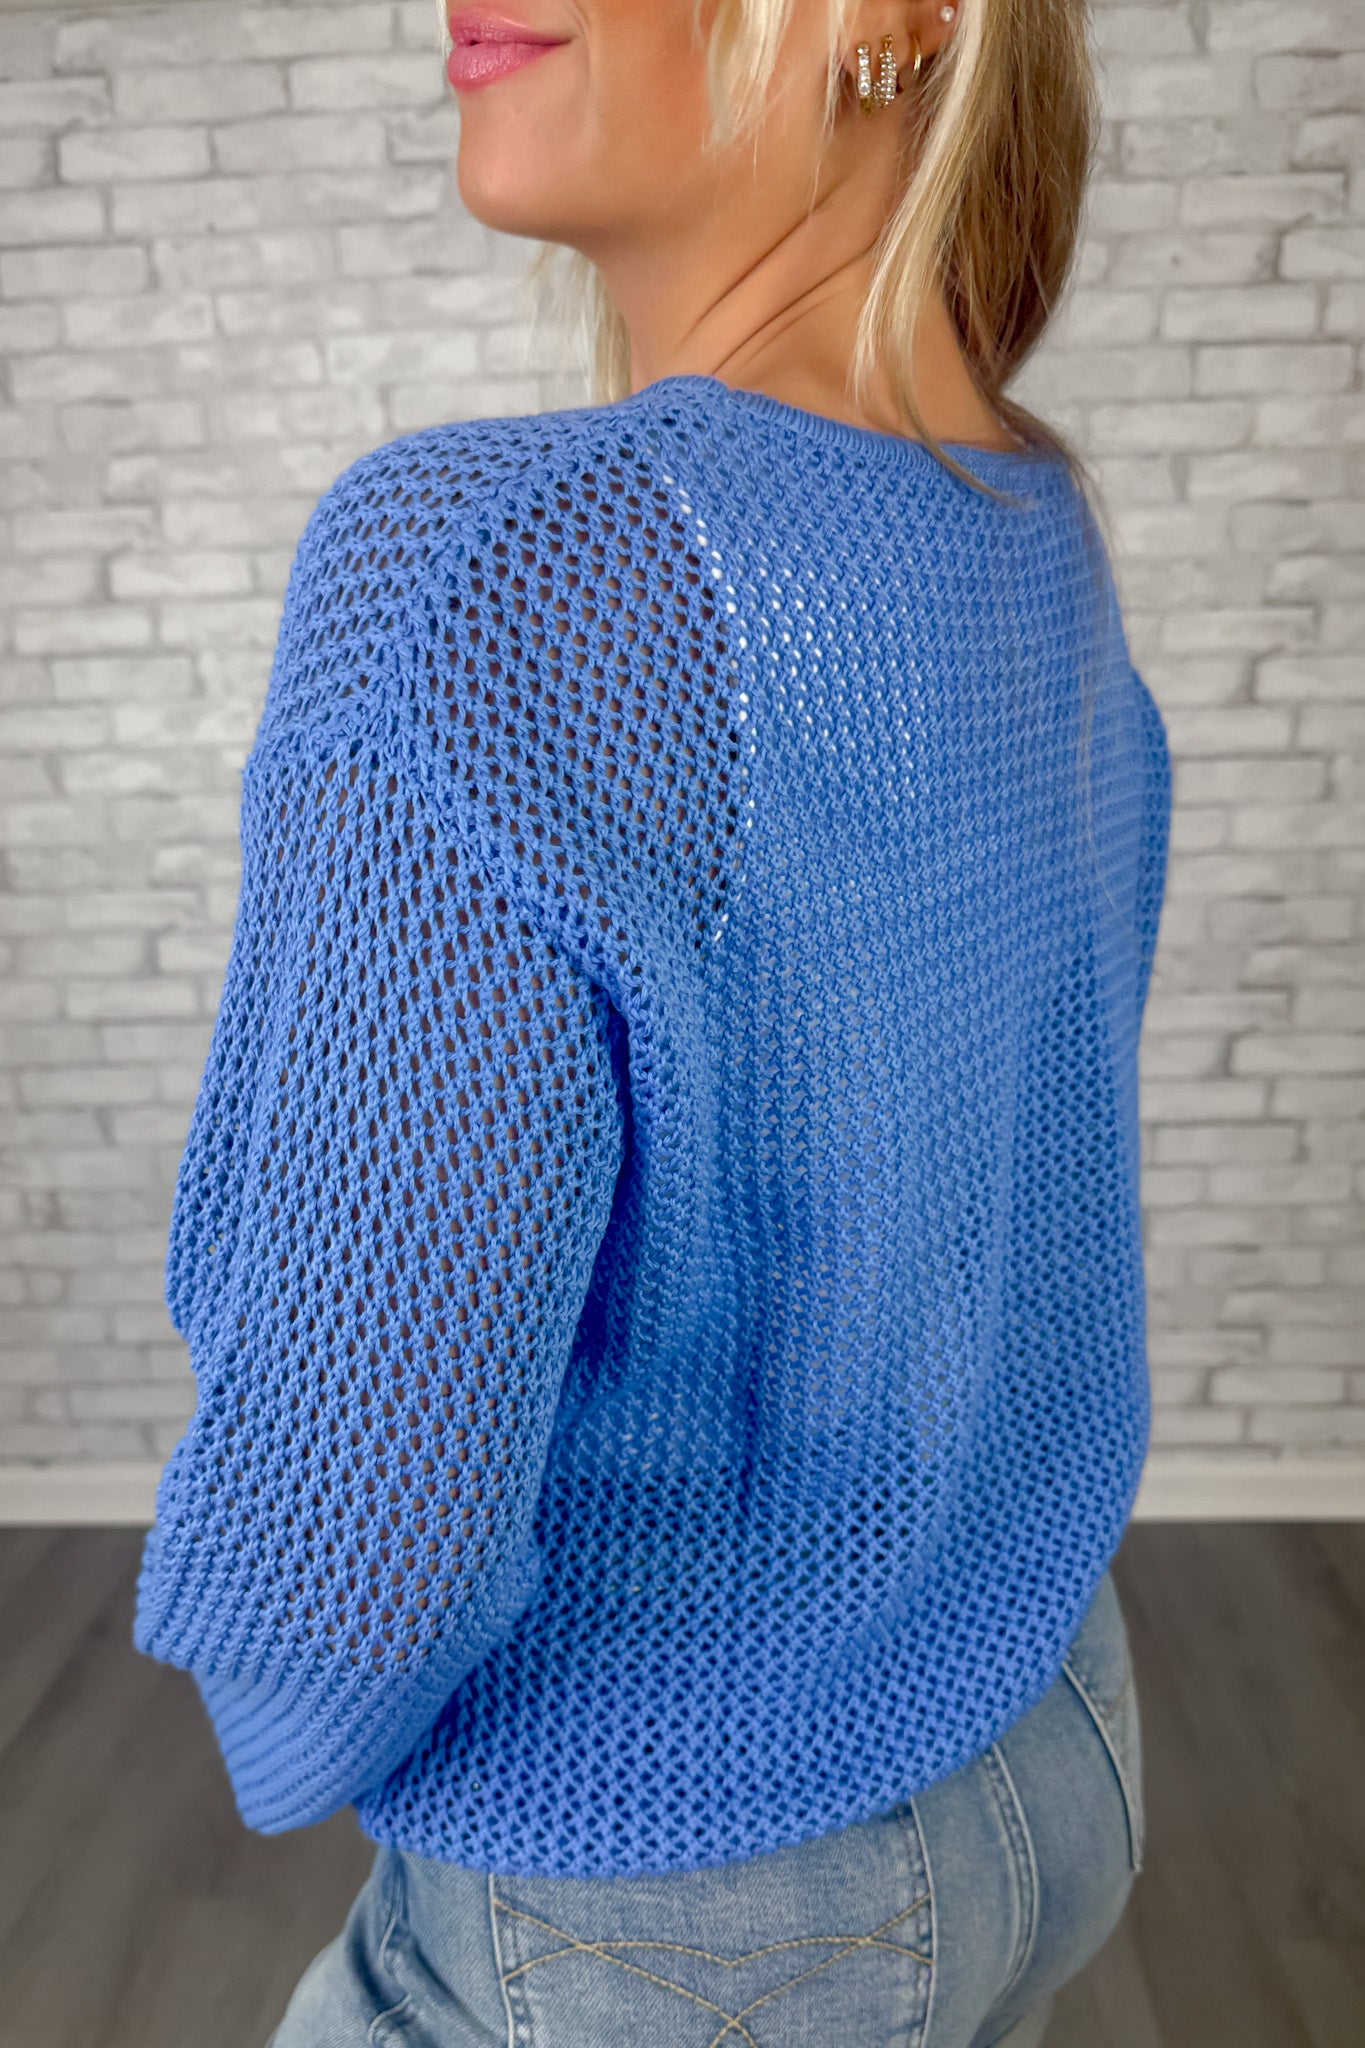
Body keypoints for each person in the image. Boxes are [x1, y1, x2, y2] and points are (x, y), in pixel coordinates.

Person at [131, 2, 1172, 2043]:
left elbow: (343, 1567)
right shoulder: (1022, 518)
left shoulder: (493, 574)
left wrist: (291, 1696)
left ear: (898, 18)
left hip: (681, 1888)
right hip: (1052, 1729)